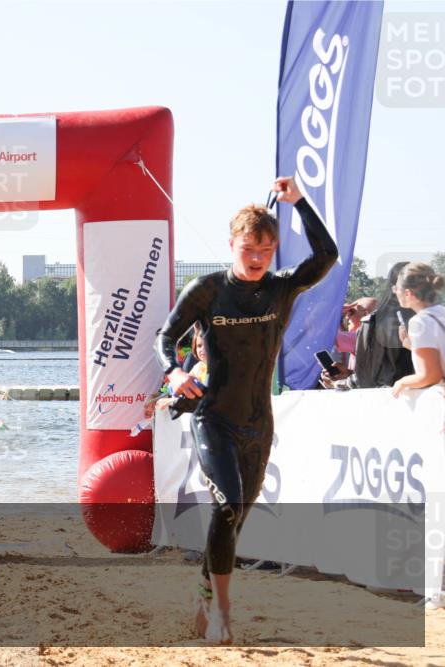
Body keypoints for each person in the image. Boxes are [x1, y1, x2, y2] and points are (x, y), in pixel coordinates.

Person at [154, 176, 337, 644]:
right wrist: (173, 373)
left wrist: (300, 203)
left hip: (258, 423)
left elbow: (327, 255)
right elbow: (165, 337)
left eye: (266, 251)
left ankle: (203, 589)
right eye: (248, 249)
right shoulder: (207, 290)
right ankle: (223, 610)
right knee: (228, 504)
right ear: (232, 245)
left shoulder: (281, 288)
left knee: (234, 518)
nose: (257, 259)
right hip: (213, 418)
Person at [322, 262, 415, 388]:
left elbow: (366, 379)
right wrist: (349, 374)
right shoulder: (433, 319)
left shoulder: (374, 324)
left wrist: (337, 384)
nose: (347, 316)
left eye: (351, 311)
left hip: (389, 396)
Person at [391, 262, 445, 397]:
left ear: (408, 293)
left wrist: (402, 382)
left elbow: (431, 376)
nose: (395, 292)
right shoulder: (441, 312)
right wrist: (414, 346)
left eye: (396, 288)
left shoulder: (419, 322)